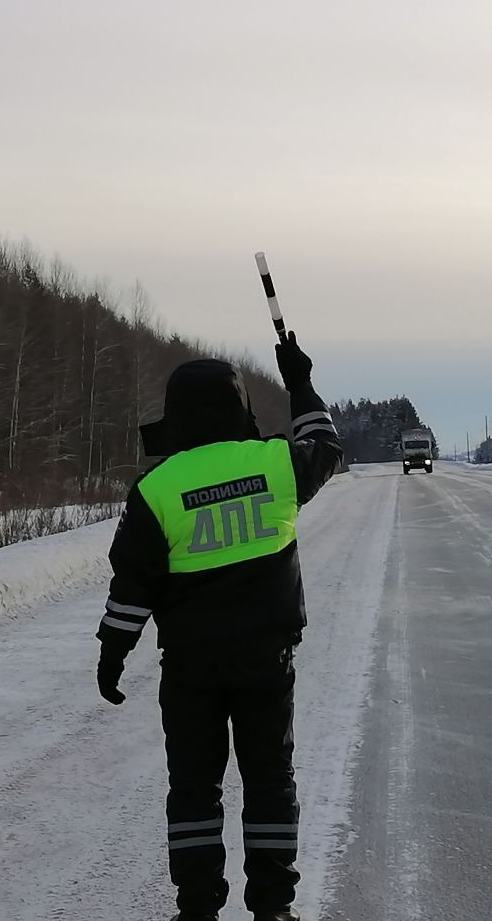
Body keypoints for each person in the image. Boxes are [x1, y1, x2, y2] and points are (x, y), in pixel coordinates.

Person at [95, 332, 342, 921]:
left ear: (175, 412)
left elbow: (133, 585)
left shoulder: (156, 489)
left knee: (194, 790)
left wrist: (113, 652)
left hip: (191, 671)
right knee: (269, 783)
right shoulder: (276, 463)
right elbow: (326, 445)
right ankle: (274, 909)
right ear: (239, 407)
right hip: (266, 662)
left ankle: (198, 908)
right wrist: (299, 381)